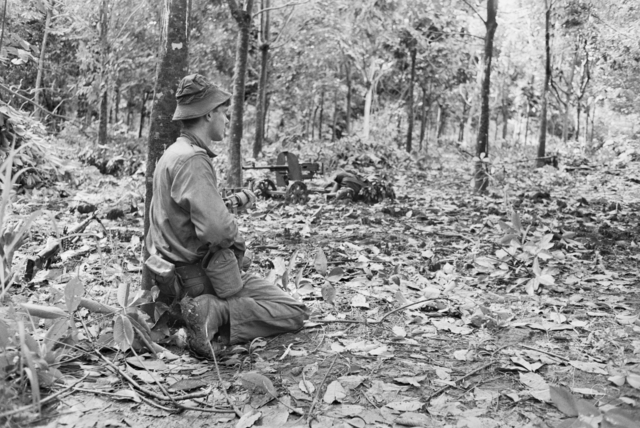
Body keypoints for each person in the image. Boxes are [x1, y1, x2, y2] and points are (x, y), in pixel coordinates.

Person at [145, 74, 309, 358]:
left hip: (175, 278)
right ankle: (214, 310)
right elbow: (218, 231)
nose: (226, 119)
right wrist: (233, 234)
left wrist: (224, 205)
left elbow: (183, 215)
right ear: (208, 114)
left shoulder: (173, 154)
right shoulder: (194, 159)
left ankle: (200, 315)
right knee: (293, 312)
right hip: (199, 277)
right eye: (223, 113)